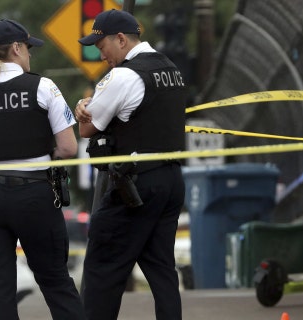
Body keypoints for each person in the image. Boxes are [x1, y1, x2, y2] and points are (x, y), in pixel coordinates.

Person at [0, 19, 86, 320]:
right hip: (35, 195)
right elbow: (68, 148)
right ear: (17, 48)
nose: (30, 56)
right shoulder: (42, 86)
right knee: (55, 282)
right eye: (28, 49)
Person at [74, 9, 187, 320]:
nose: (101, 55)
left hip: (135, 187)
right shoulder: (170, 68)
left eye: (102, 47)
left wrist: (82, 105)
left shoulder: (125, 75)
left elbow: (86, 128)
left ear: (121, 39)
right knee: (162, 269)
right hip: (171, 180)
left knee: (102, 267)